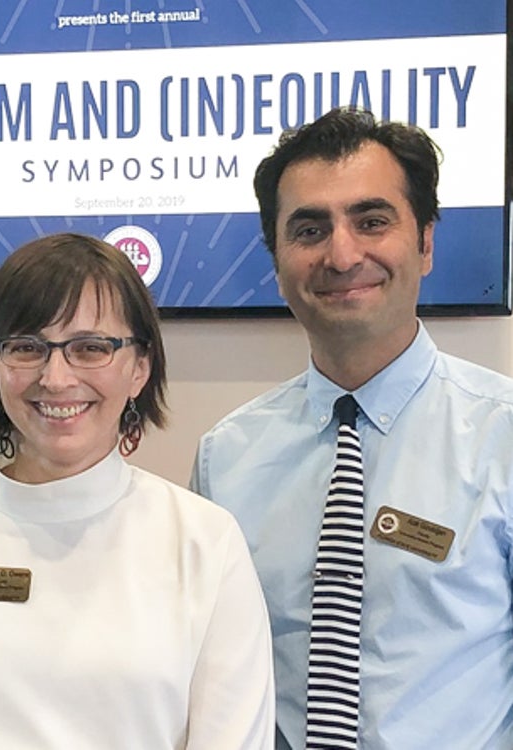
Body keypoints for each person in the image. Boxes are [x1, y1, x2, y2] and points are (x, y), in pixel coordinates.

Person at [0, 232, 275, 749]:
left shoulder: (206, 543)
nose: (55, 377)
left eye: (90, 348)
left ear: (140, 367)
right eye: (27, 347)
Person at [192, 107, 513, 749]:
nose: (342, 254)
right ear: (277, 259)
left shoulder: (502, 438)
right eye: (310, 229)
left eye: (371, 221)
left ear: (424, 243)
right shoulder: (225, 458)